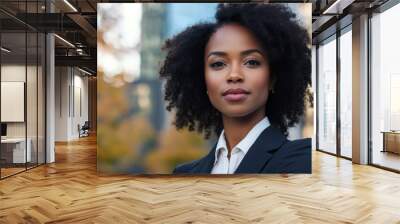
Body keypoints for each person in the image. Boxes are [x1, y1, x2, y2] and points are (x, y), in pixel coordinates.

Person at [159, 3, 312, 174]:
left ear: (273, 78)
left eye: (252, 62)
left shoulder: (304, 159)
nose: (234, 75)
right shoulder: (185, 174)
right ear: (203, 80)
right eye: (218, 64)